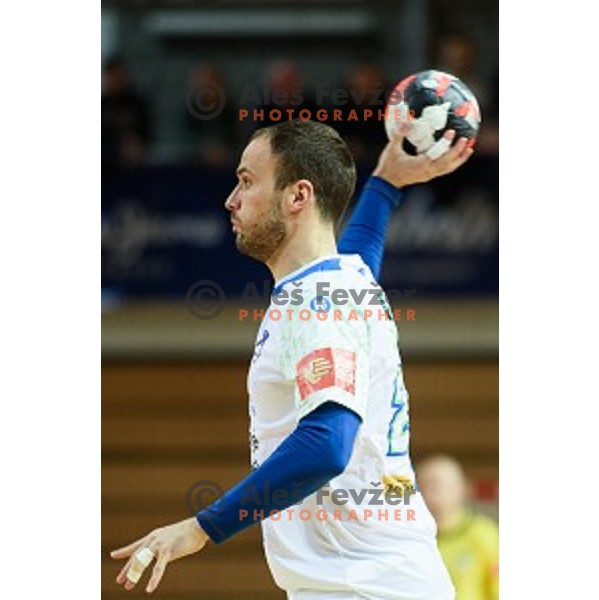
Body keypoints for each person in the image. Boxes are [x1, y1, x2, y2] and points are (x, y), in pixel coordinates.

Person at [110, 119, 473, 598]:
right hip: (378, 578)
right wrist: (384, 183)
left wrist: (201, 528)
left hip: (361, 585)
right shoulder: (345, 280)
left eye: (246, 181)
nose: (231, 200)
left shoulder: (315, 301)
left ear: (298, 196)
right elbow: (360, 250)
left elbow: (327, 444)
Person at [417, 455, 499, 600]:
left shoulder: (485, 535)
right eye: (422, 487)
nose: (429, 494)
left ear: (461, 488)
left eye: (436, 486)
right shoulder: (409, 537)